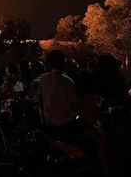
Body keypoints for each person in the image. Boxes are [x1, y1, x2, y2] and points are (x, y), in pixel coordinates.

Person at [39, 49, 113, 177]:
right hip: (66, 123)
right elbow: (74, 104)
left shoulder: (43, 79)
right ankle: (106, 169)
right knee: (100, 135)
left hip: (49, 123)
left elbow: (40, 100)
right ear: (64, 62)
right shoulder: (67, 81)